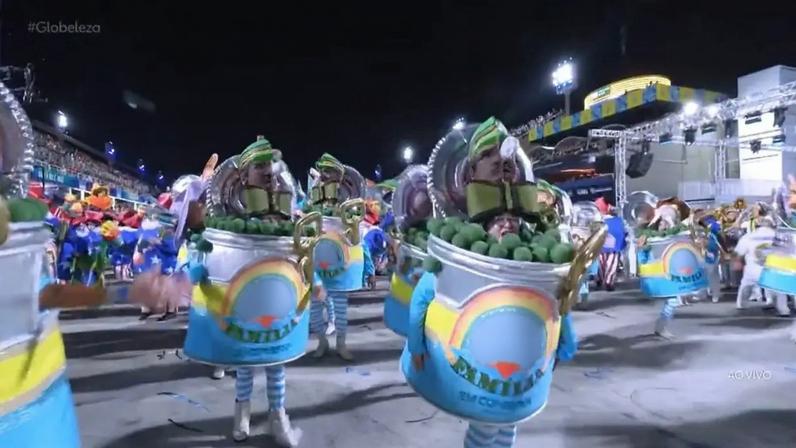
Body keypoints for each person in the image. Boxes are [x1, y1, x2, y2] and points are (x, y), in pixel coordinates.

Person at [734, 215, 789, 316]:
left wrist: (738, 262)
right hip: (773, 268)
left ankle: (741, 304)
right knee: (780, 289)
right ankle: (783, 310)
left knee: (745, 286)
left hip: (753, 268)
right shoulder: (779, 236)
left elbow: (739, 252)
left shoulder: (749, 236)